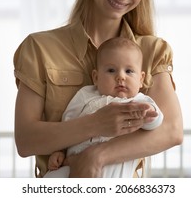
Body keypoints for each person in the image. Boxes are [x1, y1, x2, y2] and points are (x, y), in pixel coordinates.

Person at [13, 0, 183, 178]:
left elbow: (172, 130)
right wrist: (95, 123)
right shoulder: (39, 49)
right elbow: (26, 141)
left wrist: (97, 155)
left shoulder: (153, 51)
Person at [44, 37, 163, 178]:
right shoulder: (85, 95)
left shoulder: (138, 101)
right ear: (96, 77)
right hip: (73, 163)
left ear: (141, 79)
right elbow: (68, 124)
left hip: (114, 164)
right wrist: (60, 151)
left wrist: (148, 113)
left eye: (129, 71)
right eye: (111, 70)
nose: (120, 77)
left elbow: (157, 120)